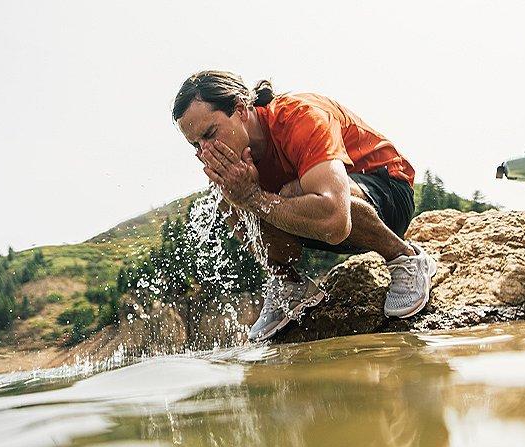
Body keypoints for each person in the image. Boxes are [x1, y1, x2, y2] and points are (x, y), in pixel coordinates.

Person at [172, 70, 436, 342]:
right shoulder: (234, 160)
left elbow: (336, 220)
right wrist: (244, 198)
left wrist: (254, 197)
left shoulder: (298, 116)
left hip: (388, 193)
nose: (205, 152)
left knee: (288, 190)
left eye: (210, 133)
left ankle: (404, 256)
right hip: (325, 225)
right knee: (230, 197)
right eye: (196, 145)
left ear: (240, 109)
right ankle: (289, 283)